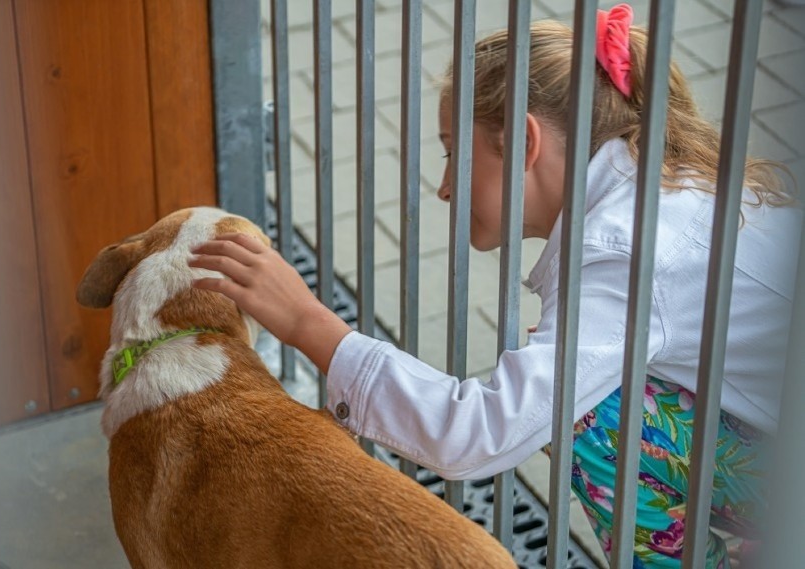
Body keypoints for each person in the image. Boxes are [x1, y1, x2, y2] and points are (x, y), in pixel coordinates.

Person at [188, 5, 801, 567]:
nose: (445, 187)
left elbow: (480, 434)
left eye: (453, 152)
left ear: (524, 143)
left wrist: (309, 324)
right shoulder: (660, 187)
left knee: (586, 414)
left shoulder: (623, 253)